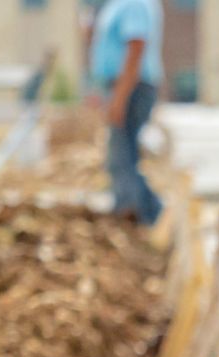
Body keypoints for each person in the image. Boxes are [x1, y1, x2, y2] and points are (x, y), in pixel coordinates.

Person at [89, 0, 163, 225]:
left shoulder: (134, 3)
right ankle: (148, 214)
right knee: (124, 154)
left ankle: (134, 216)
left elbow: (136, 46)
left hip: (131, 87)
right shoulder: (118, 5)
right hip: (124, 85)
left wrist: (120, 97)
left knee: (121, 156)